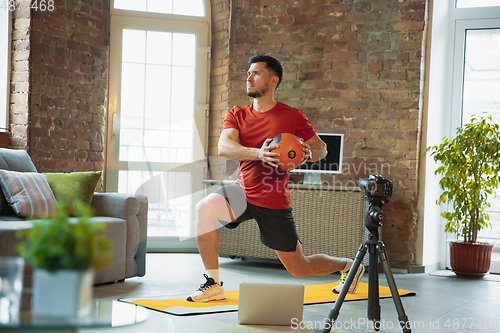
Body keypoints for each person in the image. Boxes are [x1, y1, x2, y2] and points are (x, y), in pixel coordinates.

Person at [187, 55, 364, 302]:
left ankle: (349, 266)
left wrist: (307, 154)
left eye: (256, 73)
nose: (248, 77)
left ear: (273, 81)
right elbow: (224, 146)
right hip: (243, 192)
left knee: (299, 267)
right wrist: (259, 153)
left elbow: (321, 149)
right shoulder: (238, 114)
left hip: (273, 201)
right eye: (248, 73)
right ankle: (214, 284)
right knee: (204, 208)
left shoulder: (292, 116)